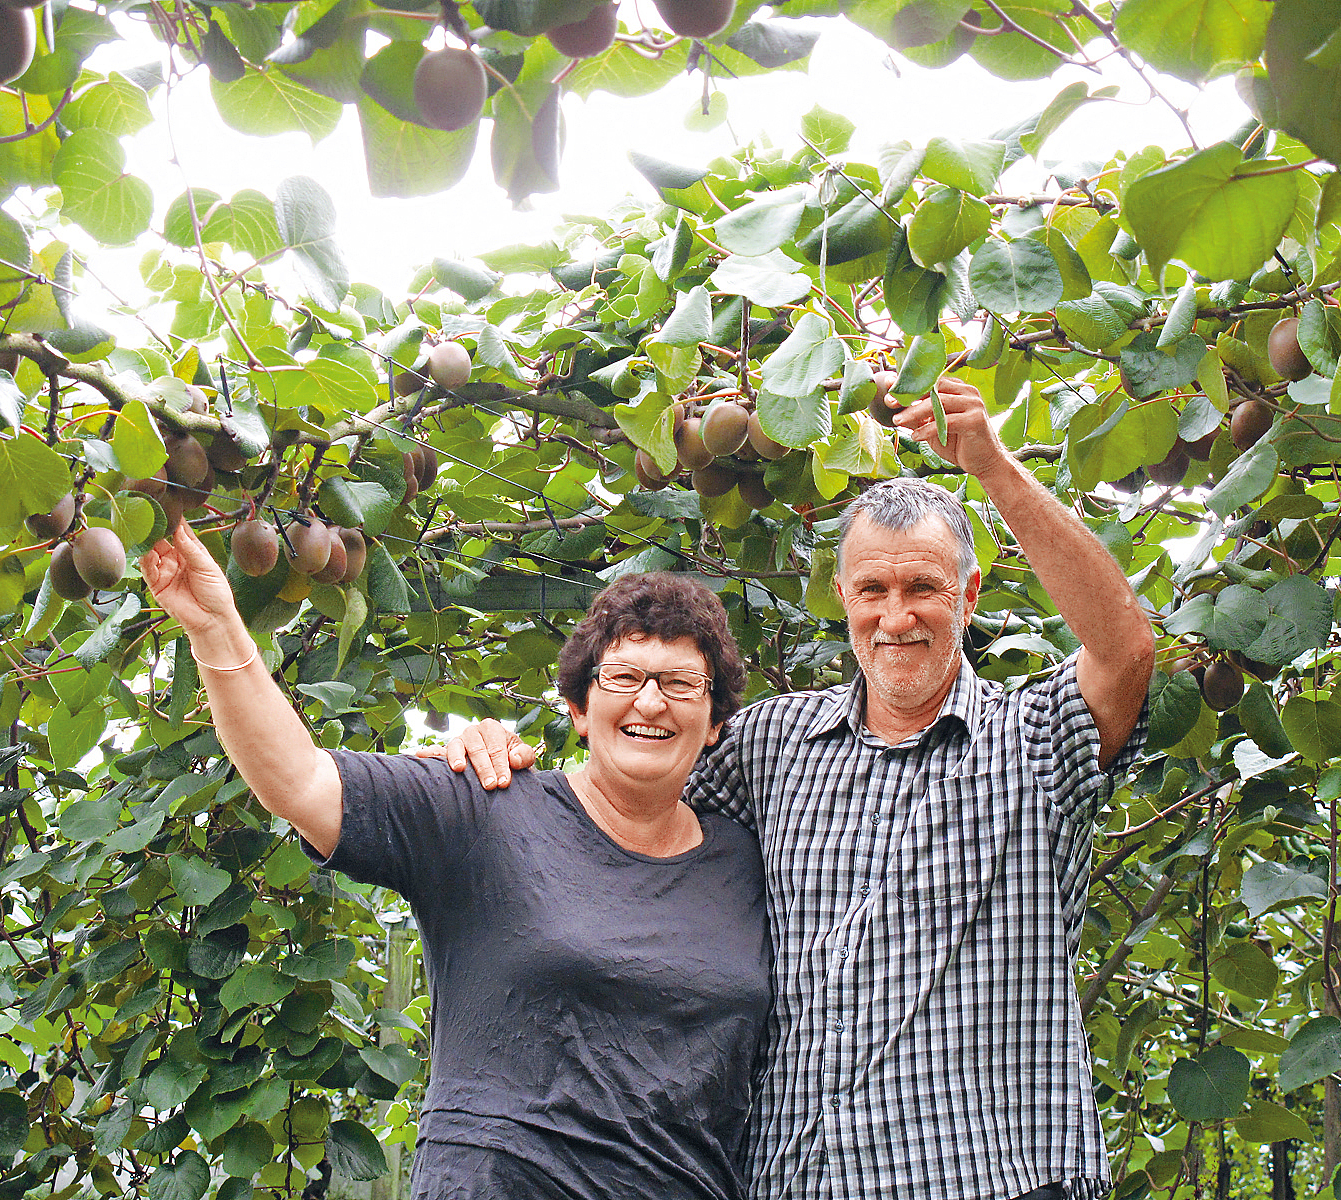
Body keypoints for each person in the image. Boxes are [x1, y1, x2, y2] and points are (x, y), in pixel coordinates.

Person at [435, 378, 1157, 1200]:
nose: (897, 616)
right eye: (872, 590)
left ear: (968, 593)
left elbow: (1126, 648)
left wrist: (990, 465)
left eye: (923, 588)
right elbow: (629, 796)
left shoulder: (1033, 744)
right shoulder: (773, 743)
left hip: (991, 1179)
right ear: (843, 596)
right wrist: (502, 759)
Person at [141, 522, 772, 1200]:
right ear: (579, 708)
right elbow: (298, 781)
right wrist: (214, 626)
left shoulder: (747, 857)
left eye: (681, 683)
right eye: (624, 675)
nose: (650, 701)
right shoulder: (486, 808)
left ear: (714, 724)